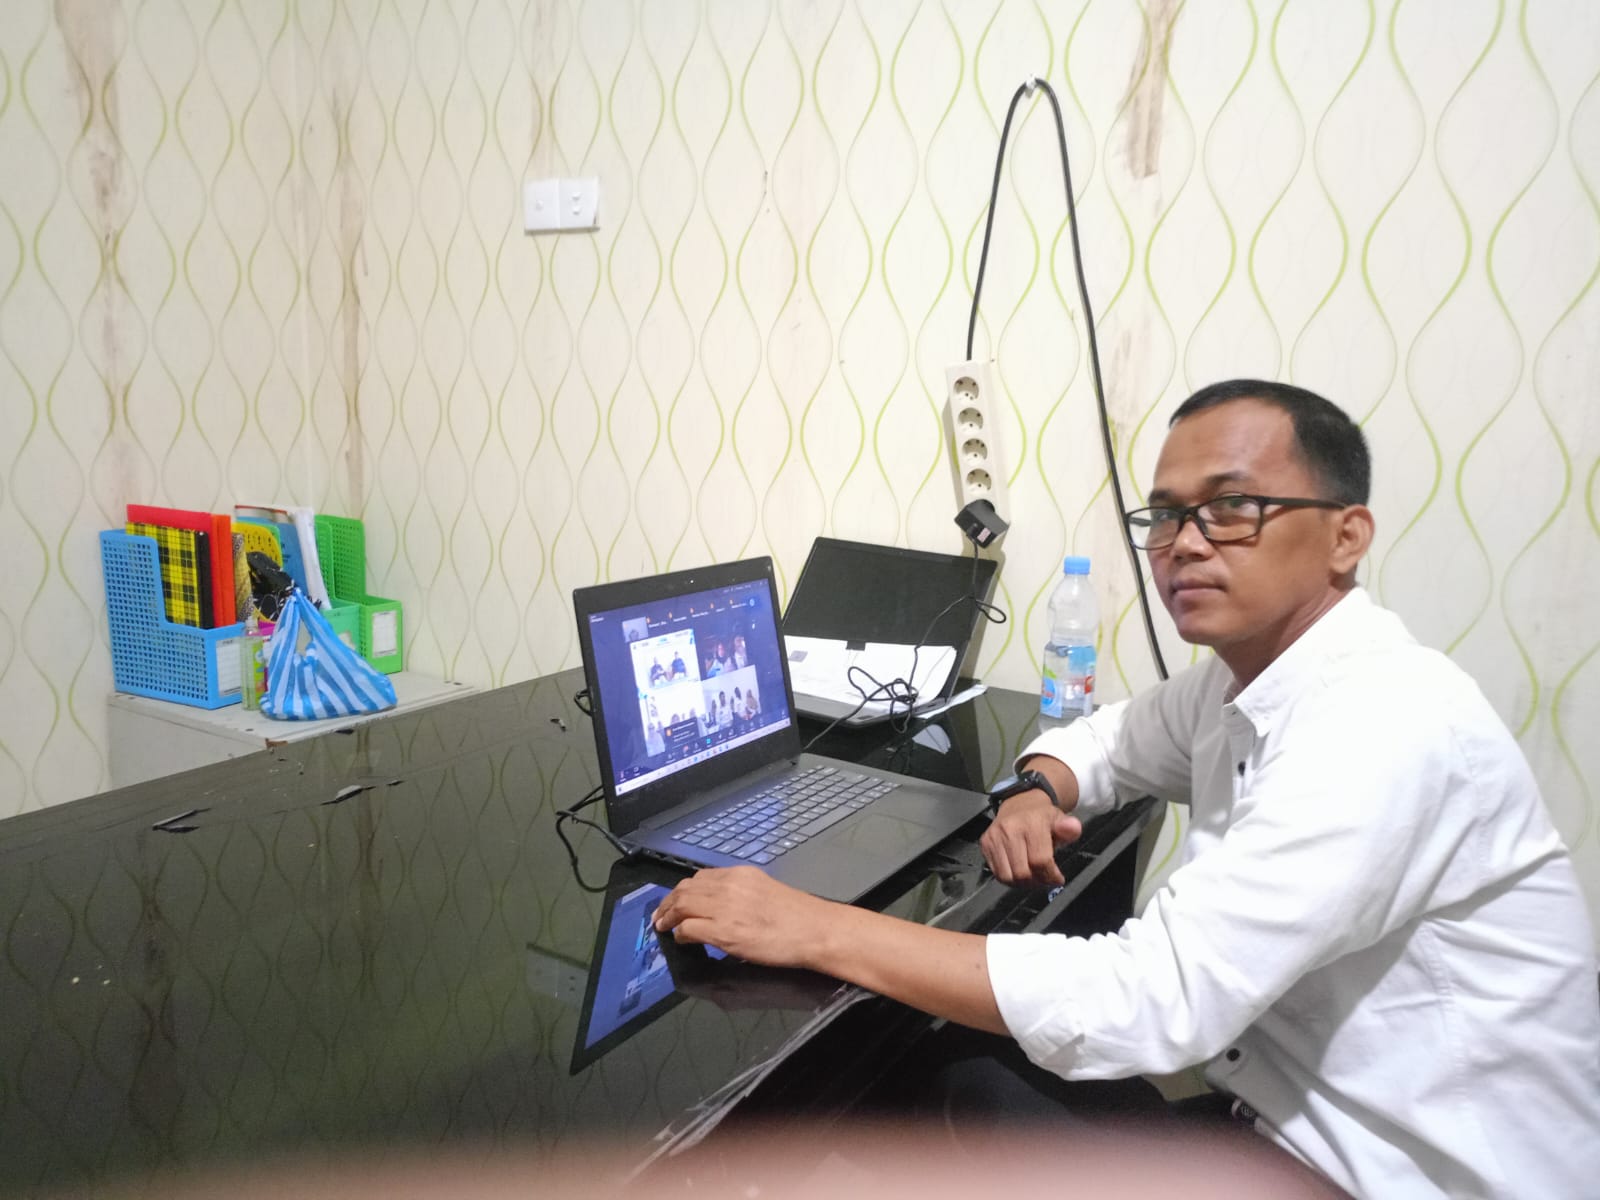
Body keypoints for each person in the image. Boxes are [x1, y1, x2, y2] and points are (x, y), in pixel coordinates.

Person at [653, 380, 1600, 1199]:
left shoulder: (1384, 723)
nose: (1184, 544)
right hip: (1289, 1115)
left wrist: (818, 927)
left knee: (930, 1077)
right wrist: (1034, 787)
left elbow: (1152, 999)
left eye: (1232, 507)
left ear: (1345, 536)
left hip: (1401, 1173)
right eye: (1165, 516)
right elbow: (1108, 741)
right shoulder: (1245, 680)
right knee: (949, 1073)